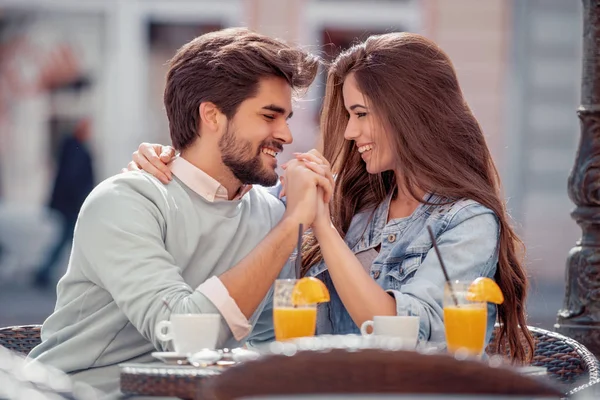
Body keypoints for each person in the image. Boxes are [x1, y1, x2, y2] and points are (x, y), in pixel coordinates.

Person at [131, 32, 534, 362]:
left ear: (409, 112)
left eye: (361, 114)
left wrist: (322, 225)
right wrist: (177, 163)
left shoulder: (468, 222)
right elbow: (265, 319)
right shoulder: (356, 204)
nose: (349, 133)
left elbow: (406, 335)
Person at [29, 27, 326, 395]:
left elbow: (270, 339)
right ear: (211, 116)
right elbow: (184, 335)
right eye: (269, 116)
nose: (287, 135)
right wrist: (291, 225)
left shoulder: (267, 213)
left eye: (286, 117)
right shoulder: (124, 203)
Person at [34, 117, 95, 288]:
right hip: (71, 205)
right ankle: (46, 272)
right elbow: (73, 180)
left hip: (69, 204)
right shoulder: (77, 150)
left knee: (69, 239)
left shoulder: (71, 148)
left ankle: (45, 271)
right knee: (71, 238)